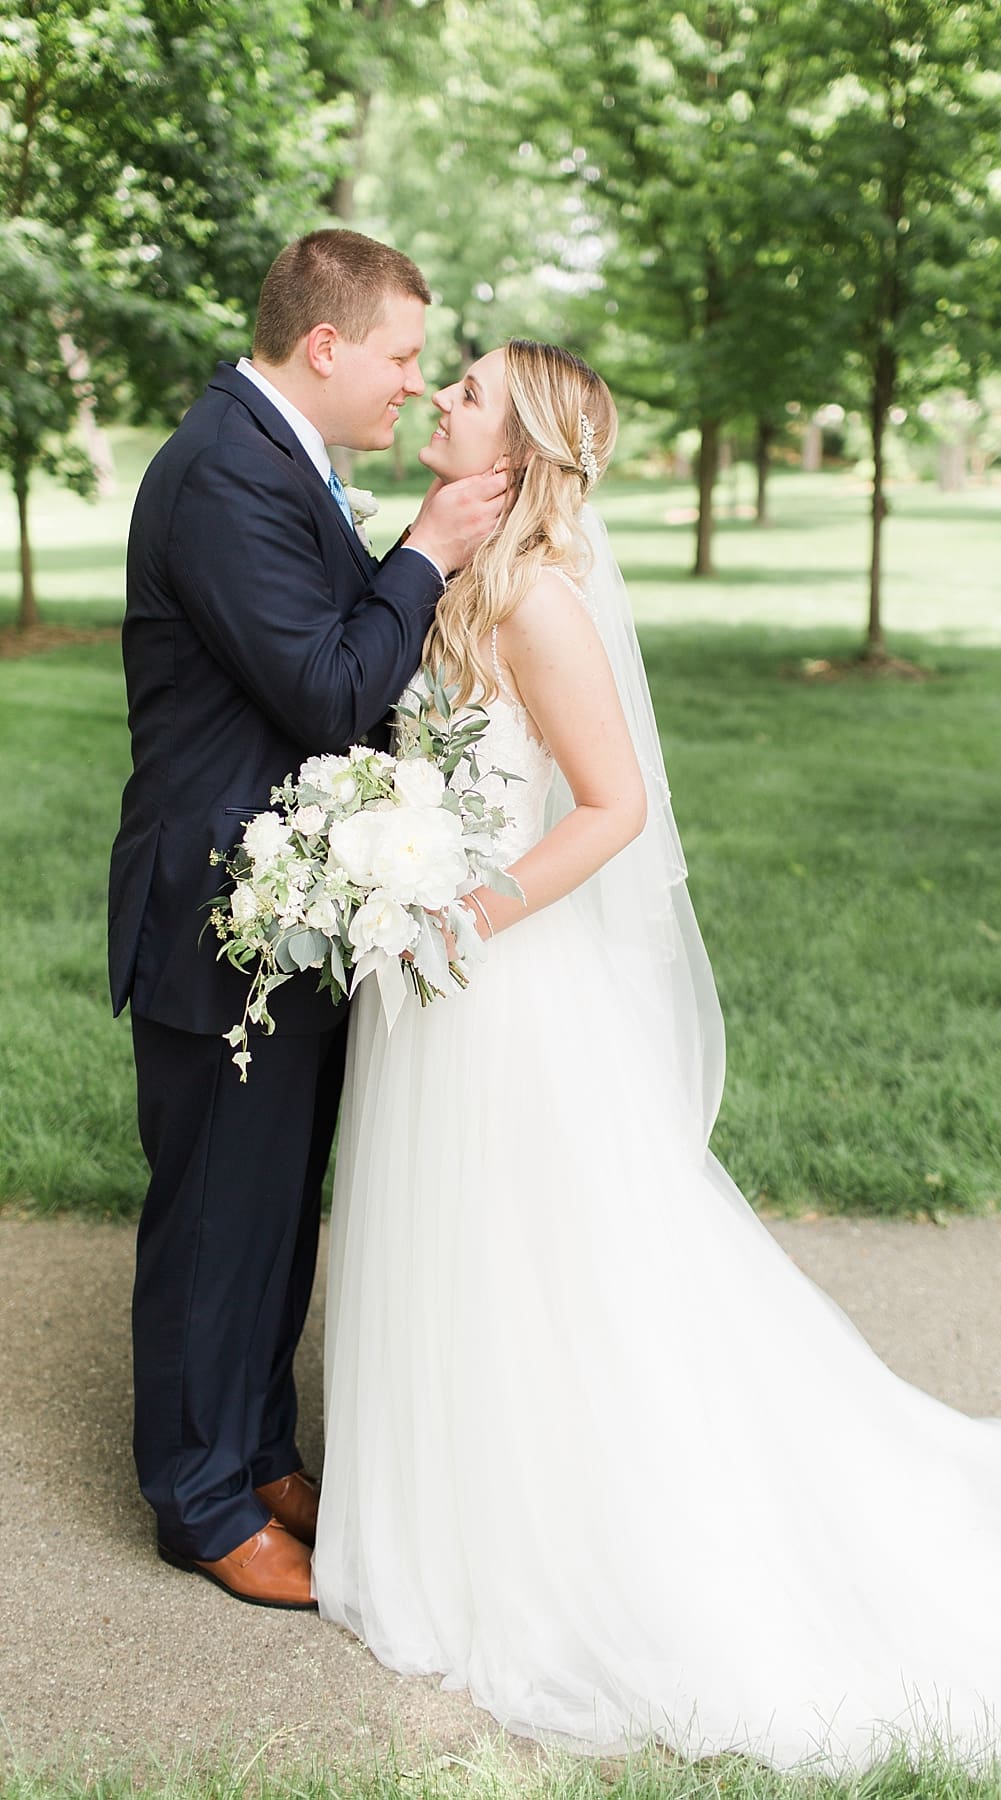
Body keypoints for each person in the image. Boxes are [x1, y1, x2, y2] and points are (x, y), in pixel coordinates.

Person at [311, 339, 1001, 1767]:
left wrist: (469, 905)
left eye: (467, 389)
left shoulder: (536, 598)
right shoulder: (451, 576)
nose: (442, 400)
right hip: (436, 981)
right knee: (453, 1248)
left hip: (503, 987)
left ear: (518, 446)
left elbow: (613, 809)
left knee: (538, 1261)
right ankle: (448, 1498)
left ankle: (554, 1528)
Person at [108, 229, 506, 1610]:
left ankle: (260, 1447)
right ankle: (202, 1501)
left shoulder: (278, 457)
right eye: (401, 356)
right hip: (223, 911)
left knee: (275, 1205)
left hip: (295, 905)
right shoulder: (223, 471)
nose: (412, 385)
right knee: (219, 1212)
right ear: (325, 347)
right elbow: (330, 687)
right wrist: (427, 551)